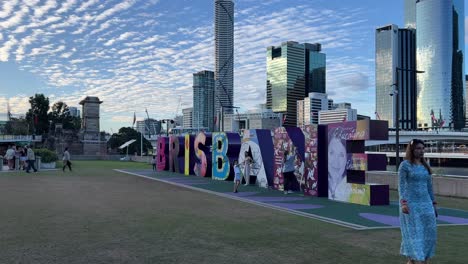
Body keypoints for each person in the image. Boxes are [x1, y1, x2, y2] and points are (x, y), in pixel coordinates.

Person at [399, 139, 437, 264]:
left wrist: (434, 204)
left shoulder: (425, 166)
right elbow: (402, 186)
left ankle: (424, 261)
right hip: (411, 206)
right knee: (415, 235)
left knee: (428, 234)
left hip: (427, 205)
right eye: (418, 148)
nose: (421, 151)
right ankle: (412, 260)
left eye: (422, 148)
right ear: (412, 150)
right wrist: (403, 203)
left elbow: (429, 187)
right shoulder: (405, 165)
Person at [327, 133, 350, 200]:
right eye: (331, 153)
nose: (336, 161)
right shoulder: (318, 184)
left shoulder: (352, 189)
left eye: (341, 155)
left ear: (347, 158)